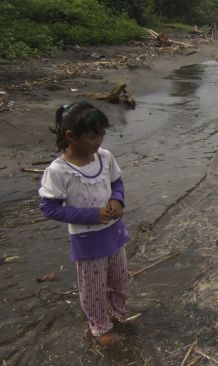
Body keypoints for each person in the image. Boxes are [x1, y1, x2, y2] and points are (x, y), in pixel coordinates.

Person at [38, 101, 130, 347]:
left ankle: (119, 313)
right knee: (93, 289)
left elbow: (117, 182)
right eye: (93, 136)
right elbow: (48, 207)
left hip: (114, 233)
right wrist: (90, 215)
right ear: (71, 136)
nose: (99, 141)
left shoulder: (105, 158)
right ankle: (100, 327)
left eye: (102, 134)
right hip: (88, 241)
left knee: (120, 278)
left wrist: (116, 200)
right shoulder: (59, 171)